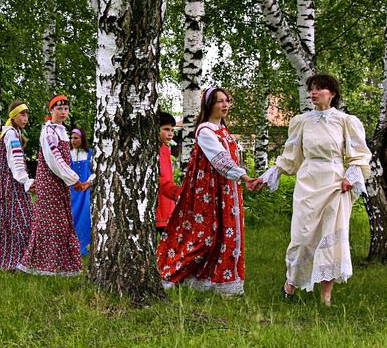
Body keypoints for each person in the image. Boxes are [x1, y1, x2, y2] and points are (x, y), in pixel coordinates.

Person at [253, 74, 371, 305]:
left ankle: (326, 297)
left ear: (332, 93)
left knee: (332, 236)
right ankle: (291, 283)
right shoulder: (301, 121)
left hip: (335, 182)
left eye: (319, 89)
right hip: (308, 181)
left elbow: (359, 154)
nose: (313, 93)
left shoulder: (345, 121)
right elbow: (290, 157)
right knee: (302, 237)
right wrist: (269, 175)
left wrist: (351, 175)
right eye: (311, 89)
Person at [156, 87, 256, 296]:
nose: (225, 105)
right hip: (209, 190)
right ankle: (169, 273)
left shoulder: (224, 131)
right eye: (220, 101)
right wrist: (244, 176)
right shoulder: (205, 130)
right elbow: (220, 159)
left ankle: (216, 280)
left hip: (227, 188)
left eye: (227, 101)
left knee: (224, 233)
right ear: (210, 104)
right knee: (204, 236)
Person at [17, 95, 89, 276]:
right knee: (50, 224)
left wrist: (71, 179)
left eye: (65, 109)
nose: (63, 112)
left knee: (61, 223)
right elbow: (55, 160)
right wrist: (74, 179)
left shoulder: (62, 131)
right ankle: (41, 266)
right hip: (50, 183)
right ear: (51, 111)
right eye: (59, 108)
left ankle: (59, 265)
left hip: (60, 183)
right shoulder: (48, 131)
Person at [0, 101, 35, 270]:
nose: (25, 118)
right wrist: (26, 180)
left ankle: (12, 257)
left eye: (27, 114)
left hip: (6, 184)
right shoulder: (11, 134)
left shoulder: (12, 132)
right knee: (23, 218)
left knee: (8, 219)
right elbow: (15, 160)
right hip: (12, 184)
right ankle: (20, 259)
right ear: (13, 116)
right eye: (22, 114)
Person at [69, 127, 94, 256]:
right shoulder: (67, 154)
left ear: (82, 139)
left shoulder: (90, 153)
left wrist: (89, 182)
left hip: (86, 191)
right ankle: (71, 246)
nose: (73, 140)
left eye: (76, 138)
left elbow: (96, 170)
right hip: (72, 191)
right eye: (71, 138)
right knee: (72, 216)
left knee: (85, 217)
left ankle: (84, 246)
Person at [155, 112, 179, 237]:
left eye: (172, 130)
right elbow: (161, 179)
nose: (170, 133)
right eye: (166, 129)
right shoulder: (155, 151)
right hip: (158, 203)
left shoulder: (165, 149)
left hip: (168, 202)